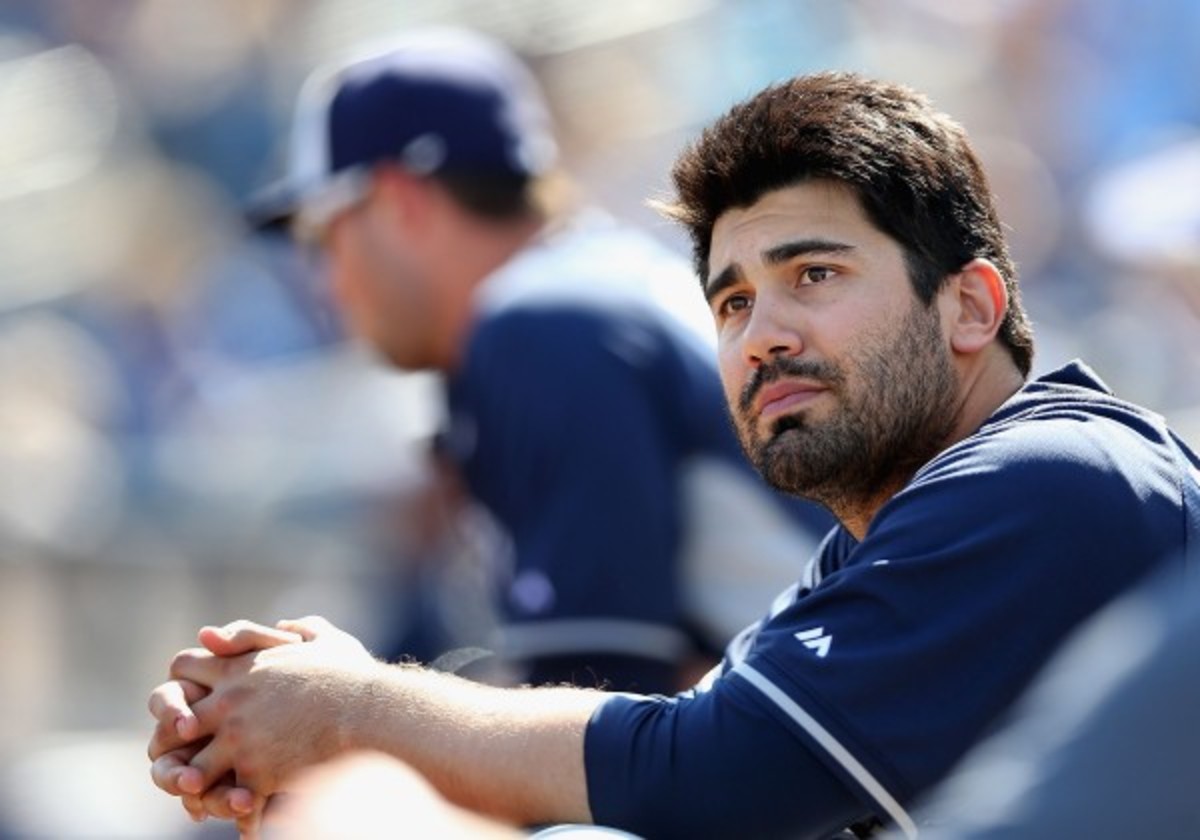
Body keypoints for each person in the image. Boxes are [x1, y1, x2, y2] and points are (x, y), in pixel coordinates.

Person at [147, 70, 1200, 839]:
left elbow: (713, 773)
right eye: (733, 300)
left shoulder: (1053, 474)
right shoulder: (884, 528)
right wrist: (301, 705)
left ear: (971, 306)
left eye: (816, 274)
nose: (763, 333)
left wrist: (349, 713)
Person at [243, 26, 830, 694]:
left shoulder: (544, 326)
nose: (325, 280)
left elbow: (597, 714)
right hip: (861, 738)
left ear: (399, 200)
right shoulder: (577, 291)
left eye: (324, 235)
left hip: (876, 770)